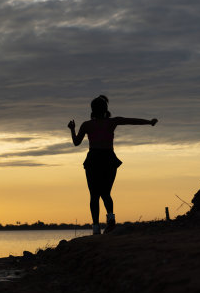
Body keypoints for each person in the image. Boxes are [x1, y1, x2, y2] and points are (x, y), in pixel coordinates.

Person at [68, 95, 158, 235]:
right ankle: (109, 220)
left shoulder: (89, 124)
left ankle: (97, 228)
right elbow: (132, 121)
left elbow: (76, 142)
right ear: (105, 109)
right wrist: (149, 122)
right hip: (106, 159)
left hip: (96, 160)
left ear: (92, 110)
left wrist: (72, 129)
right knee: (104, 193)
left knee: (94, 195)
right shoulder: (110, 122)